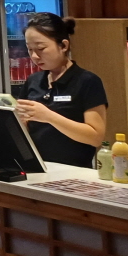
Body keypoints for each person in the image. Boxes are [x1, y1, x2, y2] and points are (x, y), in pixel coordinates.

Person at [15, 13, 108, 168]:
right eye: (29, 49)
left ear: (64, 46)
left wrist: (48, 116)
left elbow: (95, 137)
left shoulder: (87, 81)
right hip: (36, 168)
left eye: (41, 48)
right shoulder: (33, 80)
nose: (34, 56)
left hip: (74, 172)